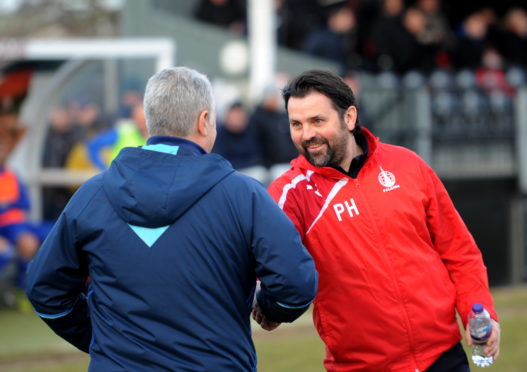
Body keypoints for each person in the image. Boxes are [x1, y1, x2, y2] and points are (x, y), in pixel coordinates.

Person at [26, 67, 318, 371]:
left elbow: (45, 289)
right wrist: (272, 309)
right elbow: (295, 284)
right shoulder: (243, 194)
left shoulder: (93, 195)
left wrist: (105, 340)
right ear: (204, 121)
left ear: (150, 120)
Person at [267, 70, 500, 372]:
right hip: (362, 366)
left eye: (317, 121)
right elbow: (265, 266)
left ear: (349, 118)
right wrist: (269, 303)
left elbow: (459, 252)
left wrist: (479, 313)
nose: (306, 134)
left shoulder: (407, 164)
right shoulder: (290, 194)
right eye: (296, 124)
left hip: (444, 357)